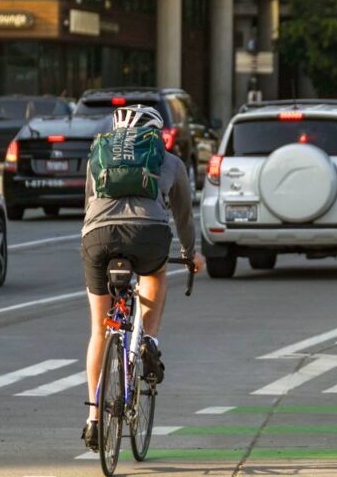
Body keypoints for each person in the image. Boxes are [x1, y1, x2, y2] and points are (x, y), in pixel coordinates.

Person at [79, 105, 206, 451]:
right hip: (148, 234)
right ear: (155, 133)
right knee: (155, 272)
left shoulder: (98, 155)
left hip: (97, 238)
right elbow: (183, 216)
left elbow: (88, 203)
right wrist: (191, 254)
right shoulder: (169, 161)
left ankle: (93, 419)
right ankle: (148, 340)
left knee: (99, 330)